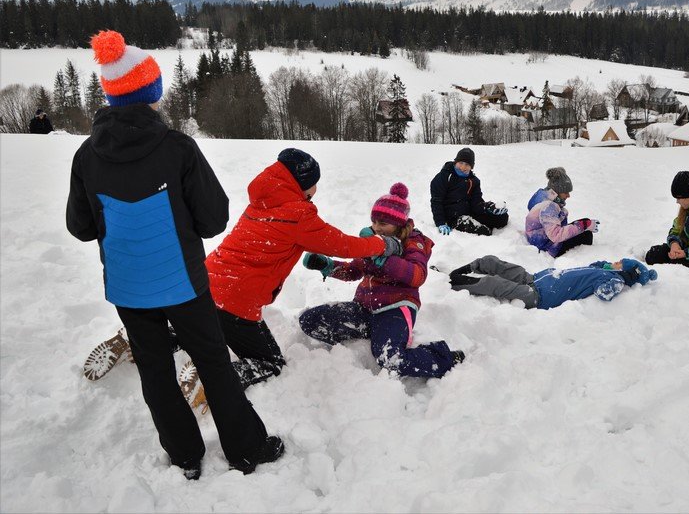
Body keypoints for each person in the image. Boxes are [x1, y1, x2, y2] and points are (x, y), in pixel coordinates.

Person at [66, 29, 281, 480]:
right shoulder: (178, 148)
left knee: (155, 369)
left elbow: (80, 227)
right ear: (151, 92)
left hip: (128, 287)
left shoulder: (86, 155)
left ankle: (184, 455)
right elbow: (213, 220)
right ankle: (247, 449)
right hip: (182, 283)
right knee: (213, 362)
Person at [82, 147, 403, 410]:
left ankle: (139, 340)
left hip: (202, 283)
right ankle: (211, 378)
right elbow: (343, 245)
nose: (316, 189)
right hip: (237, 300)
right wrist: (382, 244)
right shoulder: (299, 215)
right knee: (270, 362)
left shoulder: (261, 202)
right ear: (303, 183)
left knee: (197, 326)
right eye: (314, 183)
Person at [300, 183, 465, 378]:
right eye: (374, 222)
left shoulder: (414, 242)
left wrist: (385, 260)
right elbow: (354, 270)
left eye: (383, 224)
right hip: (364, 308)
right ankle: (372, 333)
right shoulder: (373, 241)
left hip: (395, 309)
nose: (377, 228)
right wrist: (327, 265)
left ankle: (444, 358)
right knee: (310, 320)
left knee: (390, 359)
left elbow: (417, 275)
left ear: (399, 224)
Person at [447, 255, 658, 310]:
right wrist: (608, 265)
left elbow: (605, 293)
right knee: (495, 263)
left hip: (539, 296)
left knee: (496, 283)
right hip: (535, 278)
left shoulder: (613, 280)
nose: (615, 262)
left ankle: (456, 283)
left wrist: (619, 279)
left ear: (625, 272)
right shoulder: (602, 270)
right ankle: (464, 269)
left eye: (620, 263)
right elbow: (596, 264)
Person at [430, 147, 509, 236]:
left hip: (470, 212)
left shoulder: (474, 181)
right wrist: (440, 222)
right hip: (453, 218)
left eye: (467, 164)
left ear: (471, 167)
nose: (463, 167)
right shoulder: (443, 177)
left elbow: (476, 202)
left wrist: (488, 208)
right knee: (484, 231)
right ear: (456, 162)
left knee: (502, 218)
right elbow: (436, 201)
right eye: (461, 163)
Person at [525, 167, 599, 258]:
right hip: (548, 246)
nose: (568, 195)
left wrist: (583, 224)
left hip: (543, 239)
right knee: (586, 235)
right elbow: (556, 236)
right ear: (557, 192)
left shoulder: (544, 199)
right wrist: (583, 225)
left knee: (585, 222)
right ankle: (583, 257)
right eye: (566, 192)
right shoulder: (549, 207)